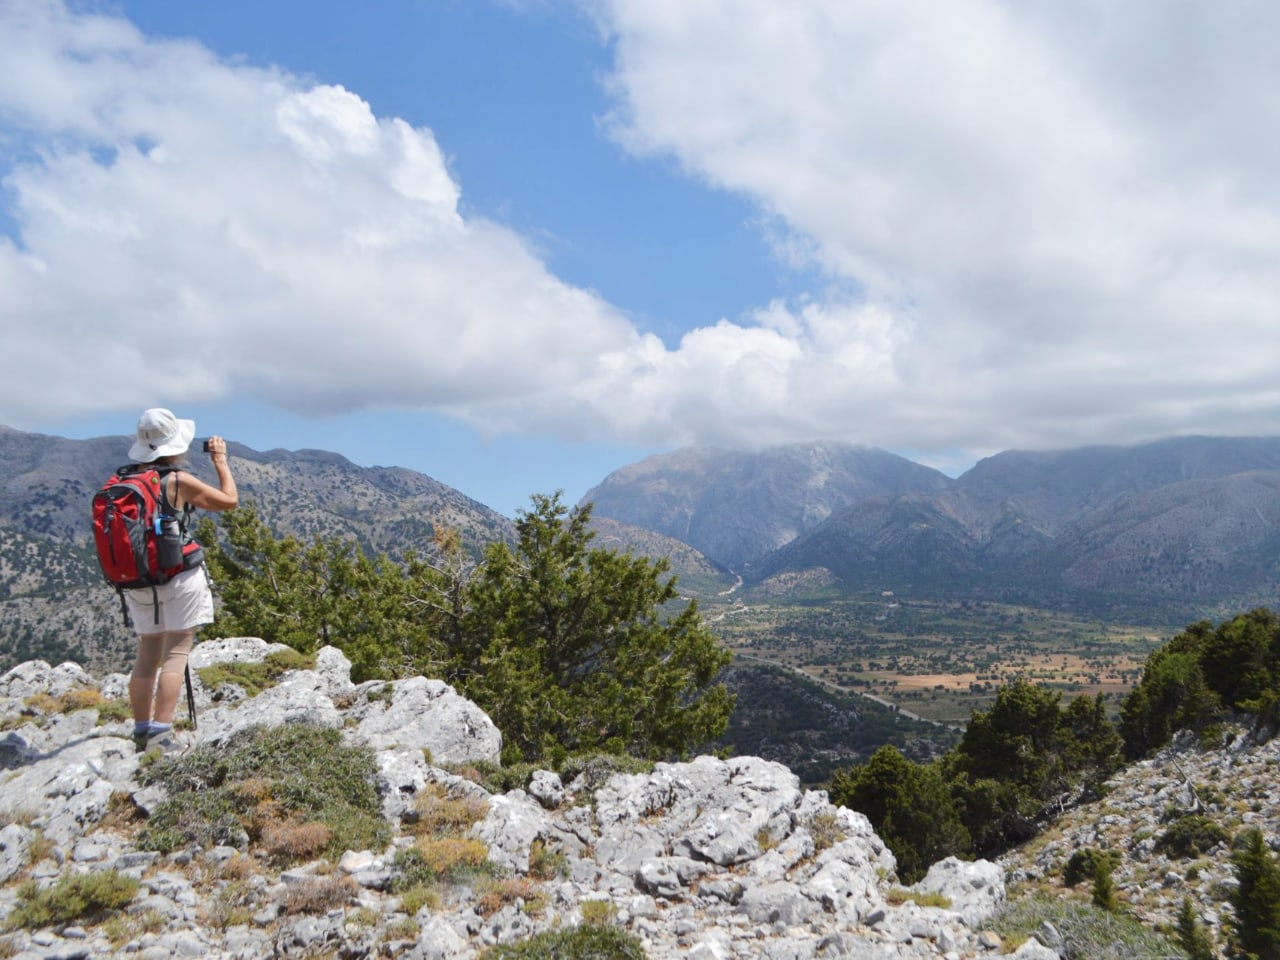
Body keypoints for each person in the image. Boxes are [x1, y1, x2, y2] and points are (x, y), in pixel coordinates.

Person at [123, 408, 238, 751]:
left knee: (147, 654)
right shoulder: (175, 480)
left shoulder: (125, 482)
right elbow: (229, 501)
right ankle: (161, 733)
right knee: (176, 653)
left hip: (137, 580)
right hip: (178, 576)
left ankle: (142, 730)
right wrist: (220, 461)